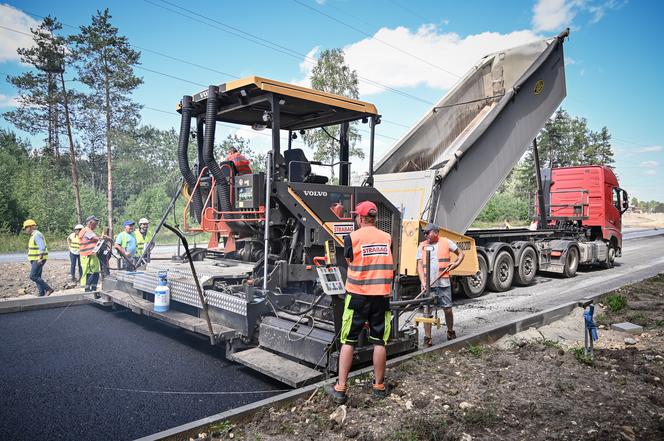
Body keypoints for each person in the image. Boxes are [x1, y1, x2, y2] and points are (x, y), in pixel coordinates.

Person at [326, 201, 394, 404]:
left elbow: (350, 261)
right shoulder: (387, 237)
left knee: (348, 341)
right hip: (381, 298)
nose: (355, 218)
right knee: (379, 341)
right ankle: (379, 387)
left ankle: (340, 389)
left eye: (357, 216)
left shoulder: (351, 238)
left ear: (362, 218)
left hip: (357, 296)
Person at [417, 223, 465, 345]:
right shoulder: (422, 246)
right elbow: (419, 266)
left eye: (428, 232)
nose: (425, 234)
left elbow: (461, 254)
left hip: (443, 283)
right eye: (425, 233)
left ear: (436, 233)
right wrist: (423, 282)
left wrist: (456, 263)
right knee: (427, 311)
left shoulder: (446, 242)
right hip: (429, 285)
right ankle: (428, 338)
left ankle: (450, 331)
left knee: (448, 309)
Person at [23, 219, 54, 297]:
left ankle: (48, 289)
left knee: (33, 276)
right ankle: (41, 294)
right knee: (37, 276)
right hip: (35, 259)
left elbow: (42, 247)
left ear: (30, 227)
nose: (25, 230)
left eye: (26, 228)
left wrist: (40, 258)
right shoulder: (33, 235)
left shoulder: (37, 234)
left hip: (38, 259)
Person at [79, 215, 108, 292]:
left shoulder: (90, 231)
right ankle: (85, 289)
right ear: (90, 222)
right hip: (87, 256)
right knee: (88, 272)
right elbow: (96, 239)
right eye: (95, 222)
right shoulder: (86, 230)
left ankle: (93, 288)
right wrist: (104, 236)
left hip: (92, 256)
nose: (96, 224)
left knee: (95, 272)